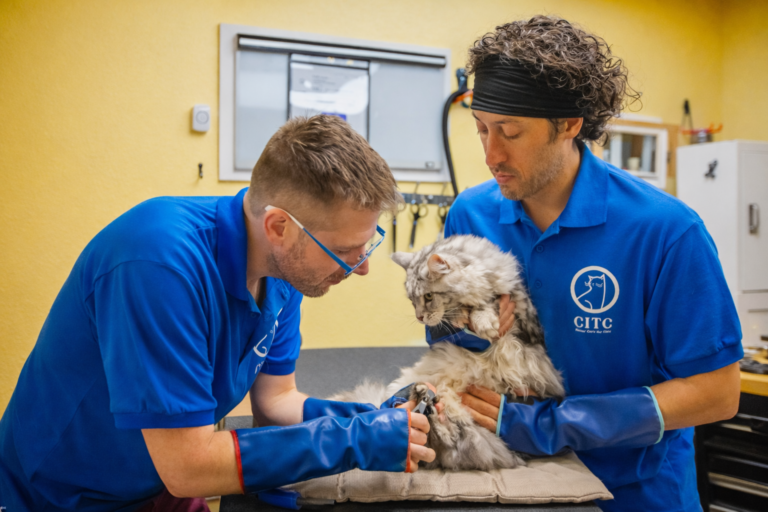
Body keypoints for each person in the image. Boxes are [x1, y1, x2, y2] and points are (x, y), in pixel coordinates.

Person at [0, 115, 436, 512]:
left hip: (159, 484)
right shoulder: (157, 263)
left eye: (367, 244)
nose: (361, 269)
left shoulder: (284, 272)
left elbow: (276, 401)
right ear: (279, 228)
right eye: (344, 252)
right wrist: (355, 440)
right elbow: (189, 466)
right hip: (58, 498)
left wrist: (372, 417)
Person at [430, 16, 742, 512]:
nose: (491, 153)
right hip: (507, 482)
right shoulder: (471, 214)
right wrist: (463, 331)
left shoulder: (664, 230)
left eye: (510, 132)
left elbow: (717, 392)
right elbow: (448, 339)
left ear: (570, 125)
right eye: (482, 129)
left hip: (633, 493)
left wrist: (555, 425)